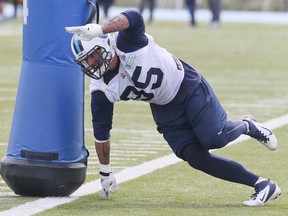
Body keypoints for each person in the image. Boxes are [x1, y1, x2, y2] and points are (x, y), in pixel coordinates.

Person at [65, 10, 281, 206]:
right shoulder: (101, 89)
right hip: (163, 107)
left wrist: (102, 28)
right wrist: (105, 171)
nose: (91, 63)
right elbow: (101, 133)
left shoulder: (127, 42)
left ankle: (248, 125)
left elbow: (133, 17)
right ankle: (262, 185)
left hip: (187, 86)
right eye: (85, 61)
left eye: (93, 55)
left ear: (104, 44)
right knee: (195, 157)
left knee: (215, 138)